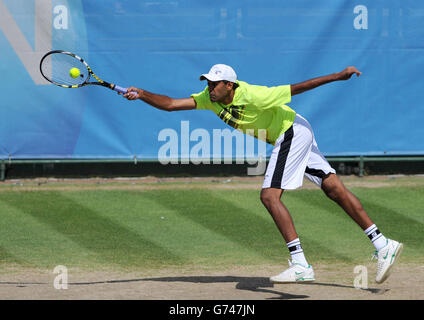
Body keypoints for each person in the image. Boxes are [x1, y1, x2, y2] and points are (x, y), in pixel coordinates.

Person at [121, 64, 403, 284]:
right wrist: (143, 94)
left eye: (214, 83)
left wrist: (338, 76)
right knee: (333, 189)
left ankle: (300, 265)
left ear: (229, 85)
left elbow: (298, 88)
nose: (209, 88)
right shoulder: (211, 99)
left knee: (269, 197)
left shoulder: (253, 94)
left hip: (291, 133)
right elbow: (171, 104)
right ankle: (383, 243)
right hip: (295, 132)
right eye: (207, 82)